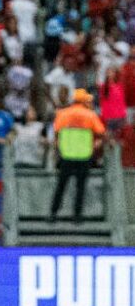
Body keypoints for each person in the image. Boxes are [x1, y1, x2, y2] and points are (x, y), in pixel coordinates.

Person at [49, 88, 106, 223]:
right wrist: (94, 146)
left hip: (66, 155)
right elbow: (101, 133)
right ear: (83, 101)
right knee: (80, 187)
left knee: (61, 186)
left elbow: (56, 134)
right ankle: (77, 216)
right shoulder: (90, 115)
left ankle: (53, 214)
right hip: (84, 155)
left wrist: (59, 150)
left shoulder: (62, 114)